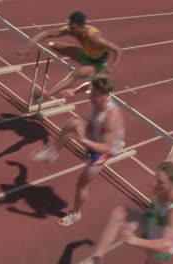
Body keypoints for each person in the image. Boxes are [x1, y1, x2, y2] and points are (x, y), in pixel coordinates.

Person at [32, 76, 125, 227]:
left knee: (82, 183)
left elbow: (107, 147)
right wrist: (73, 91)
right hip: (94, 130)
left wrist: (84, 141)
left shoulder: (111, 116)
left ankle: (75, 213)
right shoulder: (93, 90)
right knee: (73, 122)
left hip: (102, 150)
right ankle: (52, 153)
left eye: (95, 96)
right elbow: (88, 84)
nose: (92, 98)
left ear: (105, 95)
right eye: (91, 93)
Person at [88, 143, 173, 264]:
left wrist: (134, 240)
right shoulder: (169, 169)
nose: (154, 184)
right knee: (120, 213)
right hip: (151, 221)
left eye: (160, 183)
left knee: (151, 260)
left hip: (160, 245)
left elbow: (167, 245)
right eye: (156, 178)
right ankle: (96, 258)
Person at [18, 11, 122, 101]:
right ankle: (80, 63)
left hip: (96, 63)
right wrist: (29, 46)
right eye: (69, 26)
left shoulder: (95, 38)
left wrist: (112, 67)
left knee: (77, 74)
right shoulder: (71, 29)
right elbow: (47, 33)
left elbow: (117, 50)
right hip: (85, 54)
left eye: (73, 28)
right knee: (53, 45)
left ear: (81, 26)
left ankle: (46, 95)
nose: (70, 30)